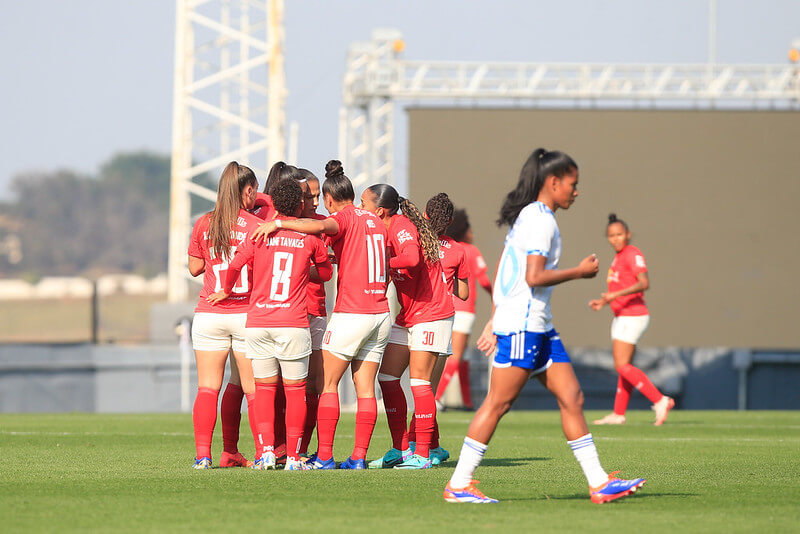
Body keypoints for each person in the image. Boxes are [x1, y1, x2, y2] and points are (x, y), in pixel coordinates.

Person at [443, 149, 646, 504]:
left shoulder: (531, 216)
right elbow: (532, 276)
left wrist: (494, 317)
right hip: (524, 327)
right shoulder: (541, 221)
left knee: (572, 397)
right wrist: (579, 272)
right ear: (553, 182)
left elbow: (507, 271)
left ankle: (599, 482)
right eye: (573, 184)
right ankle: (459, 484)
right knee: (497, 404)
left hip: (539, 326)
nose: (576, 191)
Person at [251, 160, 390, 470]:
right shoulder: (376, 222)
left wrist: (278, 224)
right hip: (380, 312)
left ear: (328, 198)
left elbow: (317, 228)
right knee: (366, 389)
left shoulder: (341, 219)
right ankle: (357, 458)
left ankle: (324, 456)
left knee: (325, 386)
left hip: (351, 312)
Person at [209, 178, 332, 471]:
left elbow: (235, 265)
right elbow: (326, 274)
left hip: (259, 321)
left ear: (275, 205)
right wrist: (306, 268)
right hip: (292, 322)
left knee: (263, 389)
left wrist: (227, 289)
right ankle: (292, 457)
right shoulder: (310, 239)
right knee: (295, 391)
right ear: (301, 205)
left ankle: (265, 452)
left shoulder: (258, 235)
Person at [362, 185, 456, 470]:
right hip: (409, 315)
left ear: (381, 210)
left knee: (419, 383)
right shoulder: (382, 232)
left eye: (363, 203)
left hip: (432, 312)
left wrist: (383, 263)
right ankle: (401, 449)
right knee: (387, 378)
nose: (360, 208)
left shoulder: (400, 225)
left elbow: (412, 259)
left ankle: (424, 454)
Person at [187, 161, 262, 469]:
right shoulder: (255, 225)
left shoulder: (205, 223)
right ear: (246, 190)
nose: (257, 195)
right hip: (245, 313)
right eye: (254, 189)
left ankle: (203, 456)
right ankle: (263, 454)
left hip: (209, 313)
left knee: (207, 387)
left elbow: (194, 268)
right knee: (253, 388)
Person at [590, 214, 674, 426]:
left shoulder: (632, 254)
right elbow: (621, 287)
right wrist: (606, 302)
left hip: (633, 315)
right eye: (611, 235)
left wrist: (614, 296)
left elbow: (644, 283)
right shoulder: (619, 257)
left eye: (619, 234)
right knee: (625, 366)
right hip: (623, 315)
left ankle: (660, 400)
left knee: (621, 366)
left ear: (627, 234)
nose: (615, 239)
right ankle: (618, 414)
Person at [435, 209, 492, 410]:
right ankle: (436, 398)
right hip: (464, 310)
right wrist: (497, 296)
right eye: (470, 229)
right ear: (463, 229)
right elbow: (484, 280)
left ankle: (467, 402)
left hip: (446, 306)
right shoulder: (470, 250)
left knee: (463, 356)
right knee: (456, 355)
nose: (473, 233)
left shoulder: (446, 247)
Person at [295, 168, 329, 460]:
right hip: (288, 314)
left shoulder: (323, 225)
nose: (315, 201)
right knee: (288, 385)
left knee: (315, 385)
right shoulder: (279, 223)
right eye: (309, 195)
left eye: (318, 195)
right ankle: (280, 449)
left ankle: (304, 449)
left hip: (317, 309)